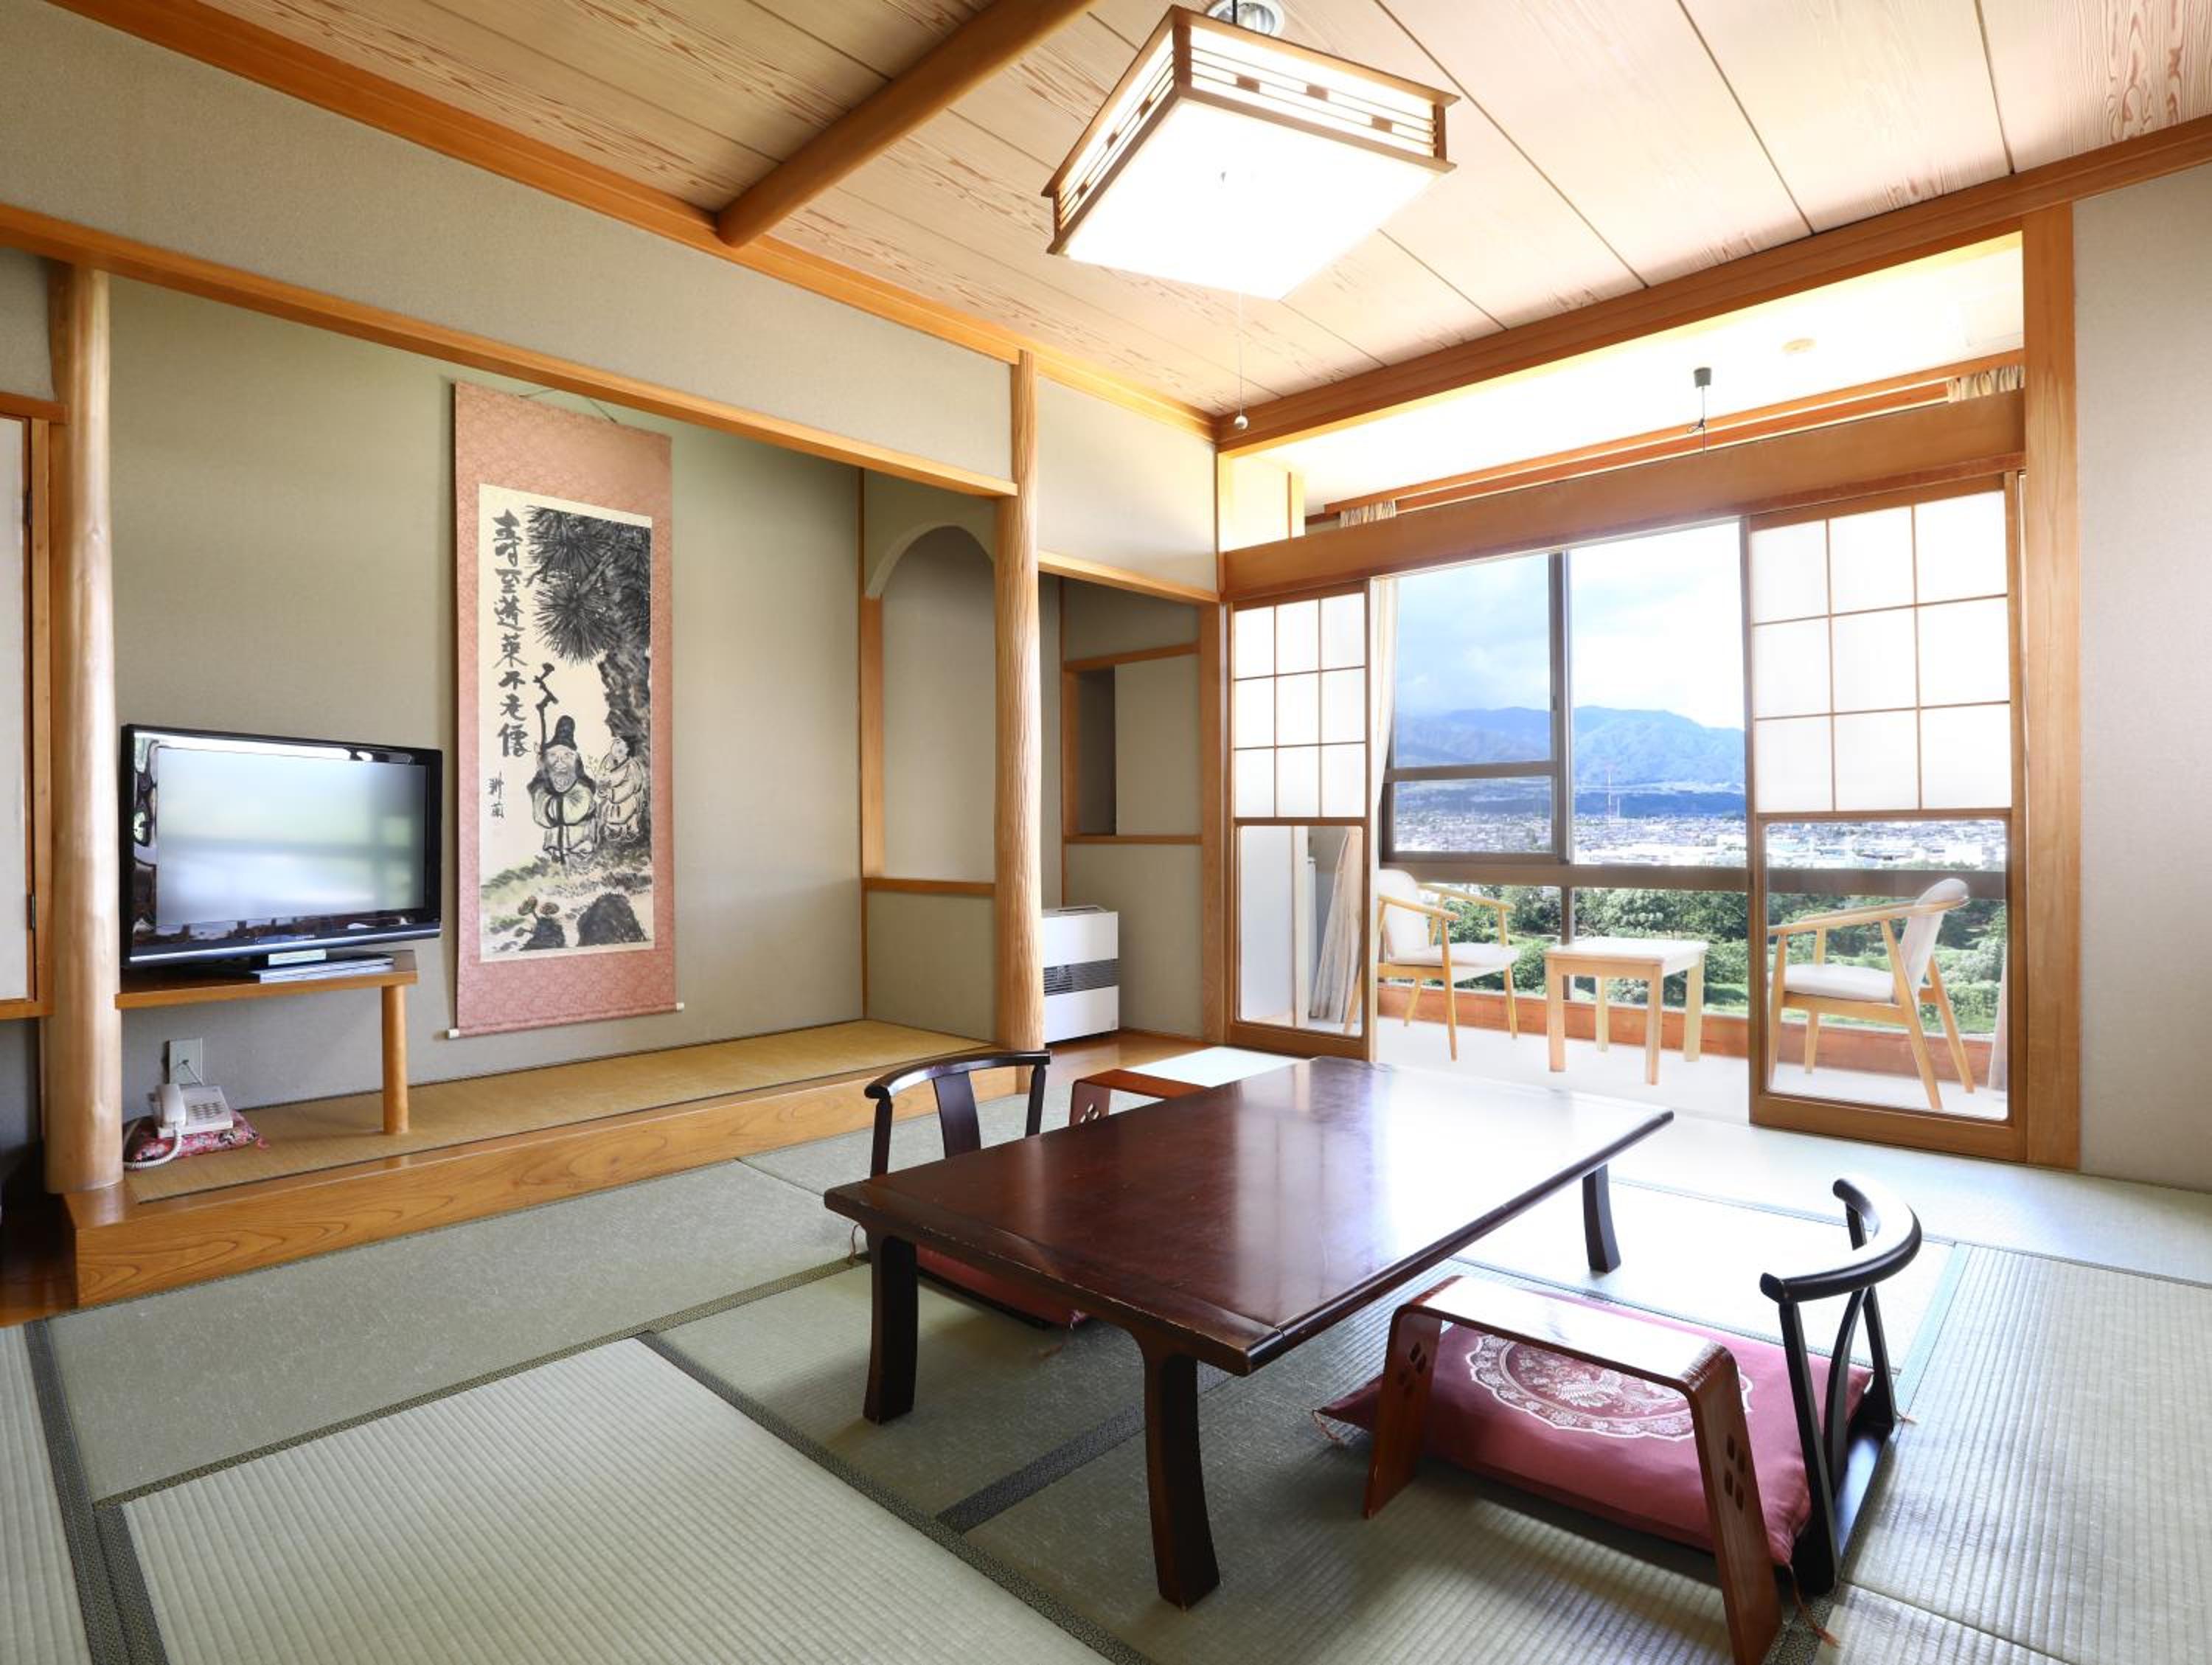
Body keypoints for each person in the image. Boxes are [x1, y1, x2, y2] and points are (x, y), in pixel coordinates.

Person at [528, 714, 597, 863]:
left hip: (579, 851)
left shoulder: (582, 791)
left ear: (577, 761)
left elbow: (571, 813)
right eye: (553, 756)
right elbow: (541, 818)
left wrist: (551, 801)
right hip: (555, 853)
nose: (560, 763)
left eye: (567, 756)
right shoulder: (543, 790)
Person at [595, 731, 646, 849]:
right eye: (617, 743)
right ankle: (613, 830)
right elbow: (601, 774)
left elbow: (630, 785)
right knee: (609, 813)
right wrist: (602, 785)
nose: (620, 747)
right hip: (611, 796)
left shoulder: (631, 766)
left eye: (625, 746)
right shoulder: (607, 761)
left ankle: (631, 831)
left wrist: (613, 793)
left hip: (626, 798)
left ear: (629, 750)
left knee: (627, 815)